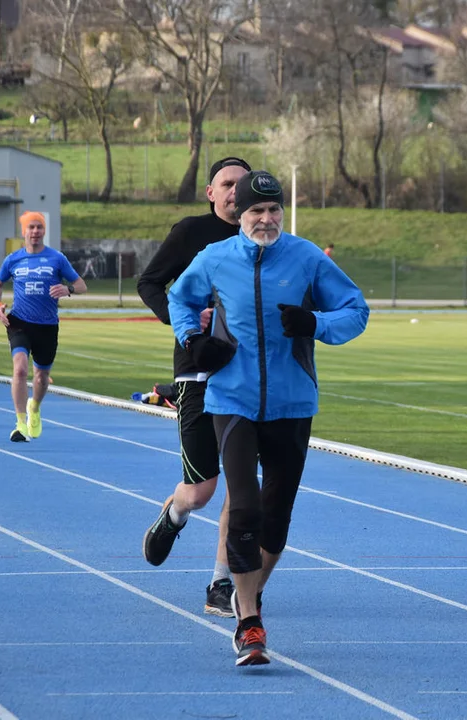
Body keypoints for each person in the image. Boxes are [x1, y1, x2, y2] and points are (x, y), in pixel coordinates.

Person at [168, 170, 369, 666]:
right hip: (231, 401)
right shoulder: (214, 258)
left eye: (273, 209)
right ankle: (249, 622)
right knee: (245, 511)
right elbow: (181, 297)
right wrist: (193, 340)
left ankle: (247, 594)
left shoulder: (305, 258)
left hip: (292, 404)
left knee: (276, 523)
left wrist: (315, 323)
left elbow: (356, 310)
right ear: (240, 215)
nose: (266, 218)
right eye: (256, 211)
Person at [138, 156, 251, 618]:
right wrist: (183, 320)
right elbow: (149, 282)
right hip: (197, 372)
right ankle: (175, 513)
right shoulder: (189, 233)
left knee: (242, 488)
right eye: (226, 184)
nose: (234, 192)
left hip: (245, 377)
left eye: (242, 186)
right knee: (202, 490)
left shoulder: (261, 238)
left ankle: (220, 584)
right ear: (210, 192)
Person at [0, 211, 86, 442]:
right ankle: (20, 423)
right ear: (23, 231)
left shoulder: (57, 258)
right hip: (19, 322)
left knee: (41, 378)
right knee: (20, 369)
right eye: (31, 227)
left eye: (39, 227)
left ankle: (34, 407)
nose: (35, 232)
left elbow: (81, 285)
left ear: (44, 231)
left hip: (47, 325)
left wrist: (68, 290)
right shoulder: (13, 259)